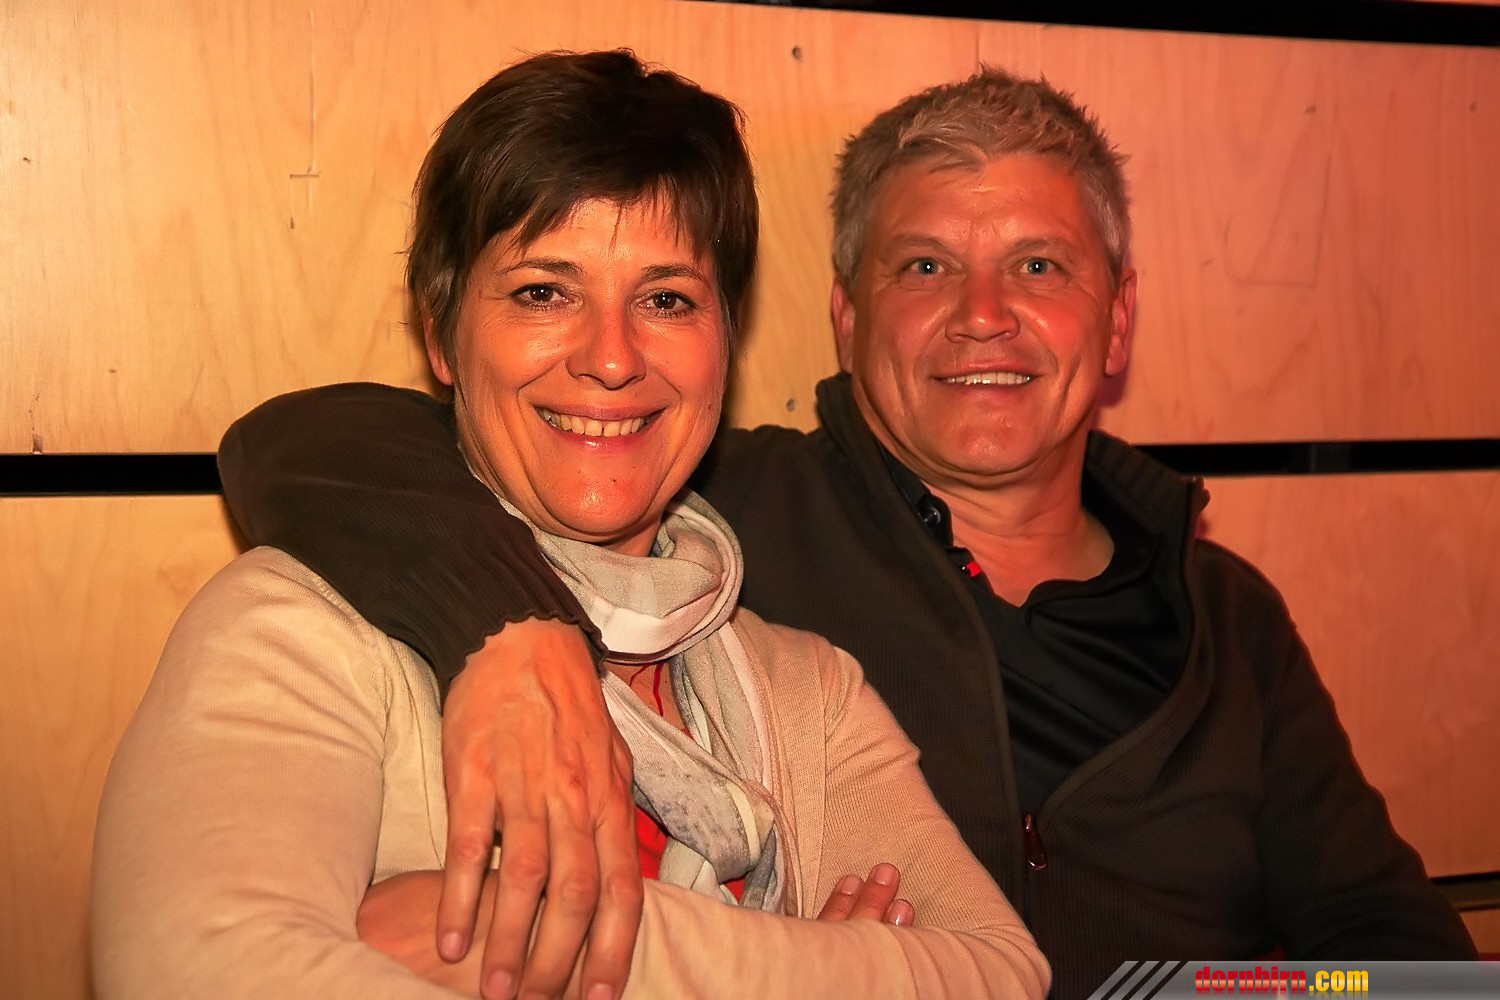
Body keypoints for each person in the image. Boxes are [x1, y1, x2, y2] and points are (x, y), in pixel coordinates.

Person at [216, 66, 1477, 999]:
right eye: (924, 267)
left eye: (1040, 266)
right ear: (844, 314)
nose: (983, 315)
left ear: (1119, 318)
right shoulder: (705, 506)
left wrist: (1200, 992)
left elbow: (1404, 960)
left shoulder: (1228, 614)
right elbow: (311, 440)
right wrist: (512, 625)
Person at [91, 50, 1049, 1000]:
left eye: (666, 299)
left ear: (725, 339)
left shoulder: (808, 692)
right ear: (441, 332)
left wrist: (554, 939)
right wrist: (817, 967)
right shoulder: (295, 629)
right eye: (543, 292)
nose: (612, 357)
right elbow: (198, 972)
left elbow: (1002, 975)